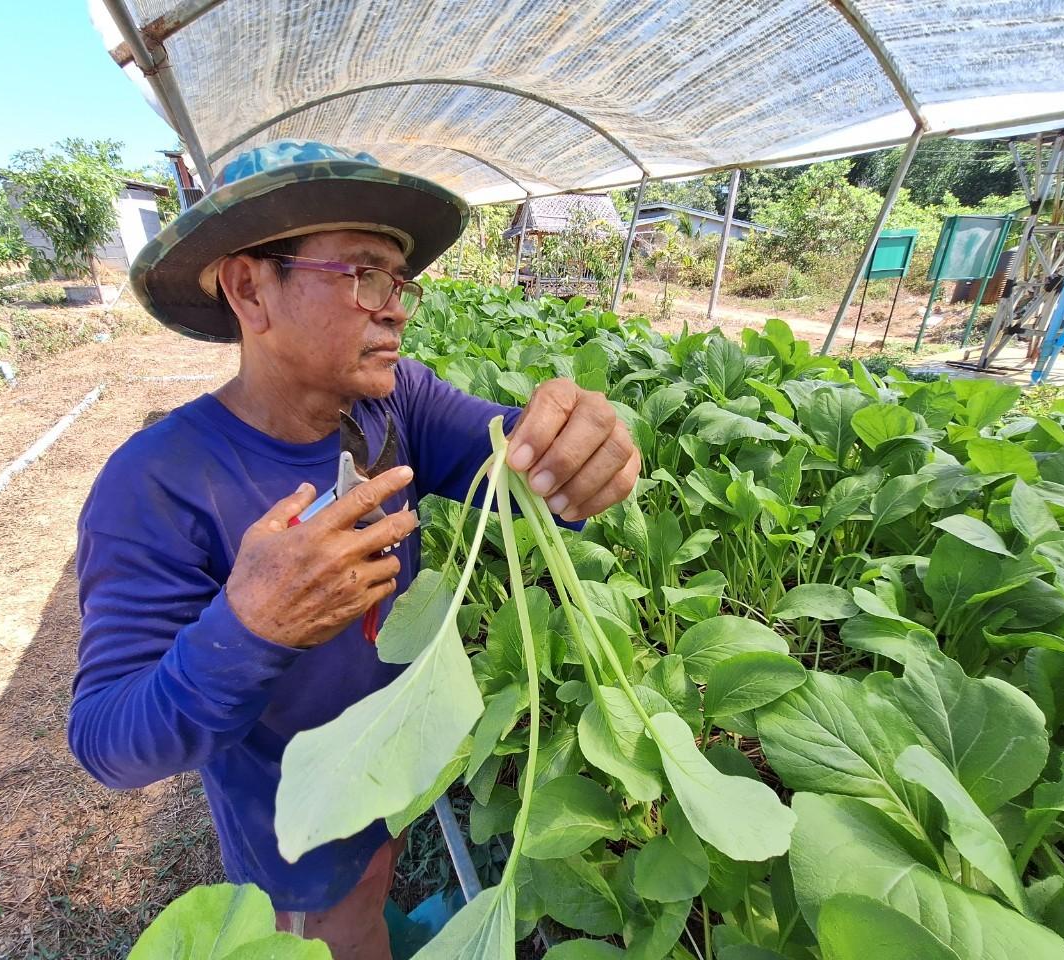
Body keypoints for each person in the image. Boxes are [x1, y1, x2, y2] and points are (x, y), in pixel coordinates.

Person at [68, 140, 640, 959]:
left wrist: (577, 451)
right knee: (338, 928)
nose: (398, 306)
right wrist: (250, 624)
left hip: (391, 754)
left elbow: (511, 464)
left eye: (400, 281)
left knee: (378, 874)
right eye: (365, 274)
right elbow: (106, 739)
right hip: (288, 813)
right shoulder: (156, 484)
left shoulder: (391, 402)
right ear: (249, 288)